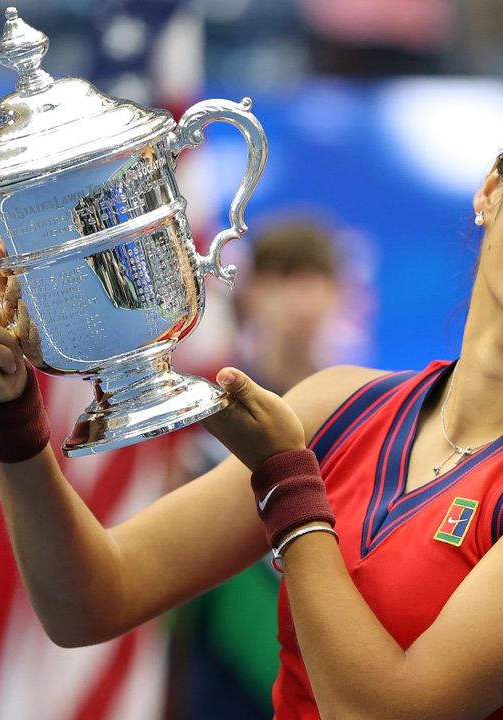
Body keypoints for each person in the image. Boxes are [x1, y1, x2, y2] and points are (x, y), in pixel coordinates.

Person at [0, 75, 503, 718]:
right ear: (492, 188)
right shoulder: (340, 407)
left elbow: (384, 716)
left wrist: (290, 485)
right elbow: (87, 601)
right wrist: (13, 415)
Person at [171, 217, 350, 719]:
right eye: (284, 279)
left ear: (337, 295)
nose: (302, 300)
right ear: (252, 294)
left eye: (316, 280)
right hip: (221, 691)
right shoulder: (208, 416)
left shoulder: (363, 413)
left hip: (331, 677)